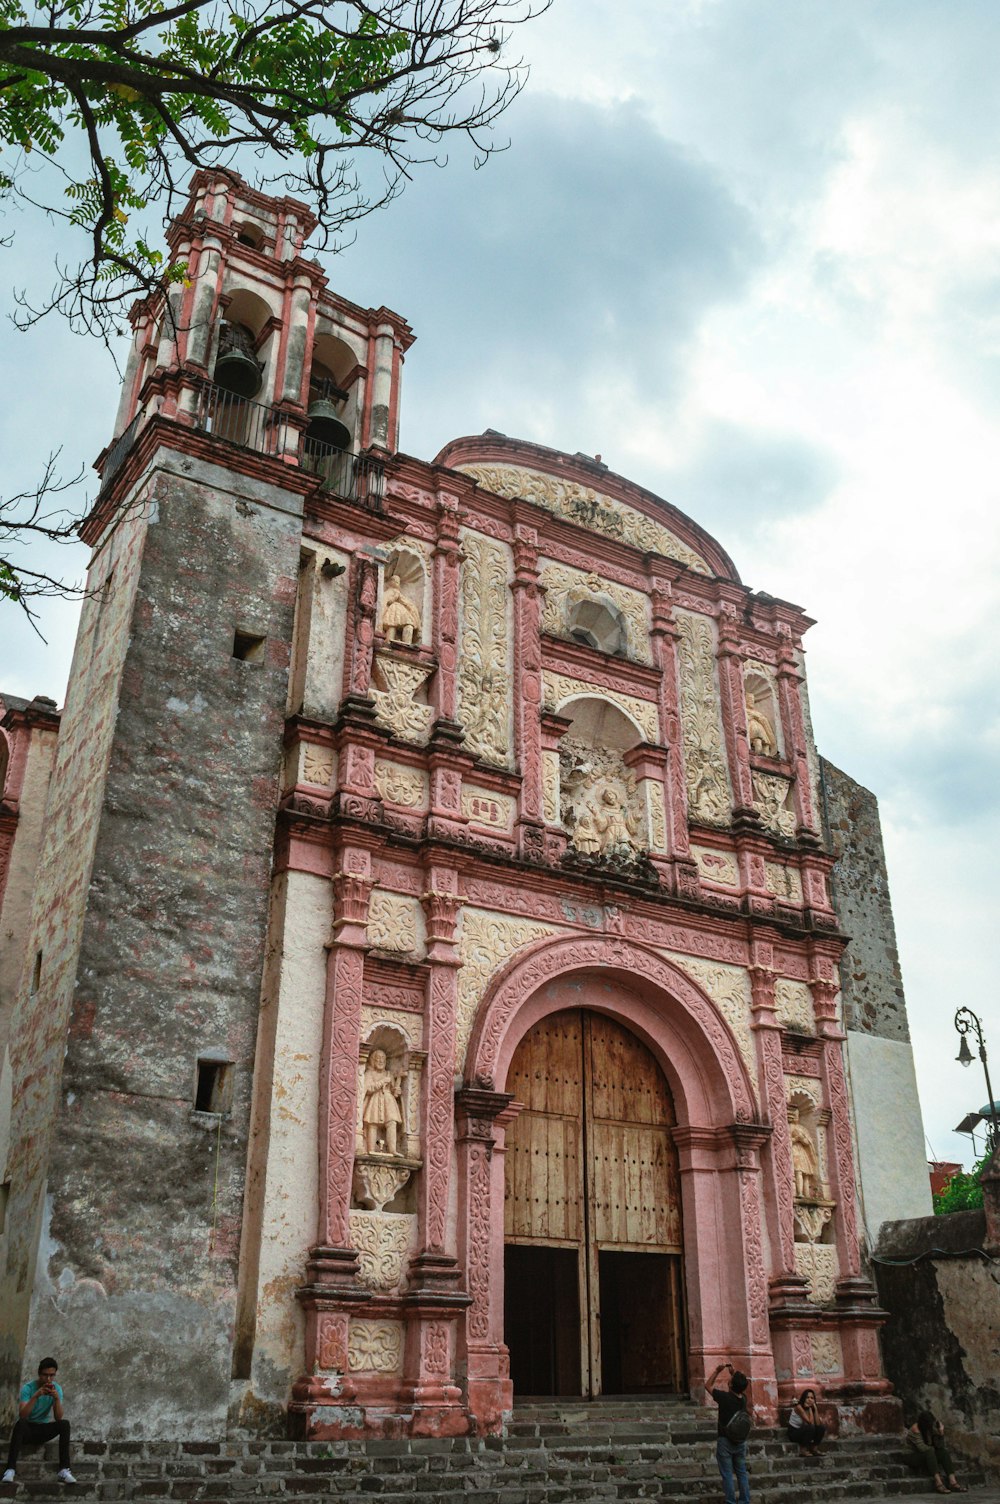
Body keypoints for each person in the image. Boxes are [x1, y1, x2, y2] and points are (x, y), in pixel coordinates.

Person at [3, 1357, 75, 1486]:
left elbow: (58, 1417)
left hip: (42, 1429)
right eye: (45, 1375)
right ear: (39, 1374)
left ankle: (64, 1470)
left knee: (64, 1424)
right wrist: (36, 1395)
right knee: (20, 1424)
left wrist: (57, 1400)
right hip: (27, 1430)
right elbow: (23, 1414)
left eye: (51, 1375)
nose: (48, 1379)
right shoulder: (28, 1388)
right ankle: (10, 1470)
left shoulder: (57, 1389)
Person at [706, 1359, 751, 1504]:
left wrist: (717, 1371)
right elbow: (739, 1384)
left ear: (730, 1384)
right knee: (741, 1473)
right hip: (740, 1441)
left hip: (725, 1440)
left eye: (731, 1379)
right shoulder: (743, 1399)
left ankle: (731, 1501)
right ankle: (745, 1500)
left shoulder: (724, 1398)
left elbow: (707, 1385)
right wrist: (734, 1373)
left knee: (727, 1474)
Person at [906, 1410, 966, 1494]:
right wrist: (934, 1446)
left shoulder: (930, 1428)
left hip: (927, 1454)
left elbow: (940, 1446)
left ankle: (952, 1481)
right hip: (912, 1456)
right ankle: (938, 1482)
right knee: (930, 1451)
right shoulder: (915, 1429)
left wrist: (940, 1433)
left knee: (943, 1452)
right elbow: (922, 1448)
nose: (931, 1425)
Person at [787, 1386, 826, 1455]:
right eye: (807, 1397)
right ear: (803, 1398)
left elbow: (817, 1424)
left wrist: (815, 1409)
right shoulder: (799, 1407)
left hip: (805, 1431)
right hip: (794, 1433)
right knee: (810, 1427)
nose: (809, 1400)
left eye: (812, 1398)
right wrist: (810, 1409)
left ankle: (814, 1448)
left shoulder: (812, 1407)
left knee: (821, 1427)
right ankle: (803, 1450)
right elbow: (810, 1422)